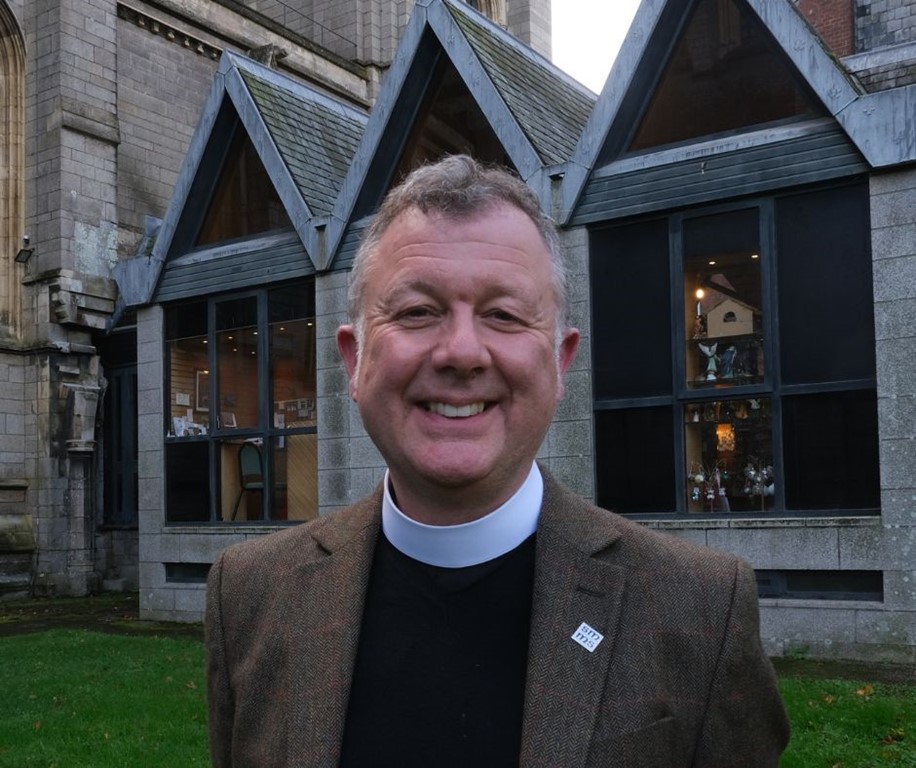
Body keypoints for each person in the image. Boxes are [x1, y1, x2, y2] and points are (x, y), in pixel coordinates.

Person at [205, 155, 790, 767]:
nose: (461, 352)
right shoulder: (248, 597)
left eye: (504, 316)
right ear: (354, 361)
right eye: (416, 312)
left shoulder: (700, 608)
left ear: (560, 362)